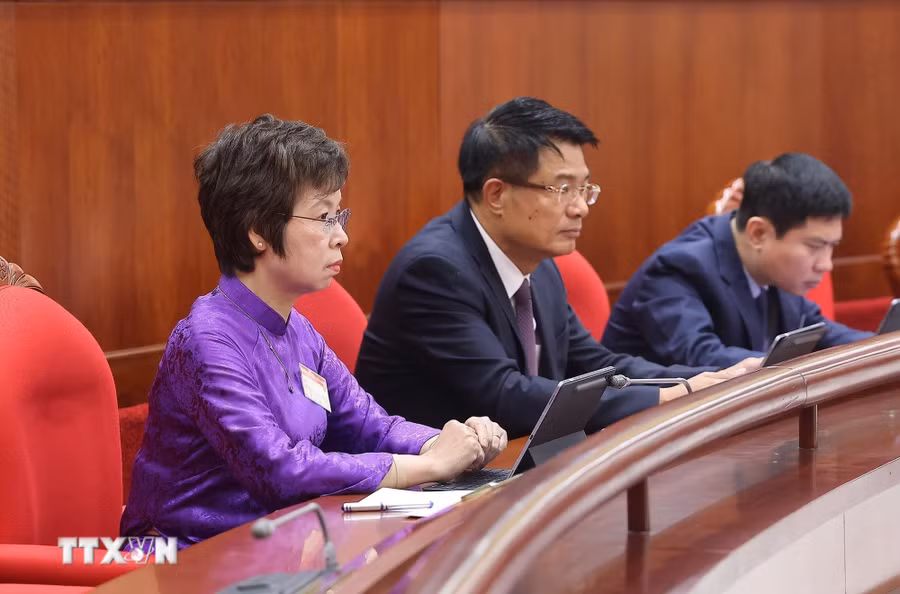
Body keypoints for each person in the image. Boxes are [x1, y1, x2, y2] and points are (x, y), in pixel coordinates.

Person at [121, 115, 507, 547]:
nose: (341, 235)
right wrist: (431, 466)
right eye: (324, 217)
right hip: (189, 557)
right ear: (257, 232)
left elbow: (369, 426)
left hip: (282, 545)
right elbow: (279, 471)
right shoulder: (206, 341)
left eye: (339, 215)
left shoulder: (299, 331)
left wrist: (451, 441)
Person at [354, 97, 754, 440]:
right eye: (563, 189)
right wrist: (669, 396)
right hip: (422, 499)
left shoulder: (539, 265)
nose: (580, 206)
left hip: (508, 473)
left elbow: (597, 365)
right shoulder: (434, 271)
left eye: (584, 189)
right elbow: (505, 395)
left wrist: (703, 379)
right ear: (497, 194)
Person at [602, 153, 872, 368]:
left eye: (831, 247)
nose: (826, 264)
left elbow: (822, 335)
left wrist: (886, 346)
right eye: (815, 246)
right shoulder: (678, 269)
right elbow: (704, 359)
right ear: (758, 233)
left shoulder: (773, 268)